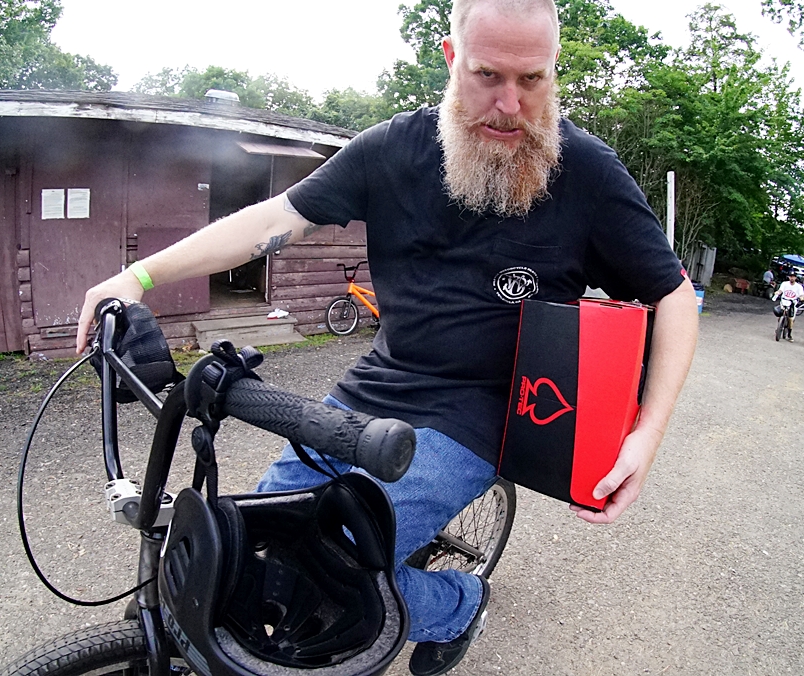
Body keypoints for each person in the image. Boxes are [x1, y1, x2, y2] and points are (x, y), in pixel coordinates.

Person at [75, 1, 698, 673]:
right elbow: (274, 219)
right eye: (488, 75)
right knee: (249, 541)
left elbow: (673, 295)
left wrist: (647, 434)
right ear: (452, 58)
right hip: (370, 392)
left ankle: (458, 604)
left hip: (481, 417)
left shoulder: (587, 173)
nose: (510, 104)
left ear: (553, 69)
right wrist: (138, 276)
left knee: (332, 572)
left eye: (533, 79)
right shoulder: (393, 149)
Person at [772, 271, 804, 341]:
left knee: (791, 319)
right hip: (784, 301)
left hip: (792, 303)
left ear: (795, 278)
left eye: (793, 277)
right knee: (780, 314)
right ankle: (779, 326)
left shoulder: (798, 286)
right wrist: (777, 293)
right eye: (790, 276)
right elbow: (780, 290)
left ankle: (789, 334)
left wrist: (801, 298)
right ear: (789, 277)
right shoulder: (784, 284)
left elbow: (801, 295)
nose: (792, 278)